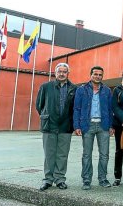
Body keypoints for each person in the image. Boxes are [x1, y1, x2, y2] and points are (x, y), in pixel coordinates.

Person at [36, 62, 77, 191]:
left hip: (66, 126)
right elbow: (39, 105)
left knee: (62, 154)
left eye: (64, 71)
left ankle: (60, 179)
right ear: (55, 73)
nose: (62, 73)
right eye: (59, 71)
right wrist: (47, 116)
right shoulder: (46, 87)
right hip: (49, 126)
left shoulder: (74, 89)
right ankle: (48, 179)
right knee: (49, 154)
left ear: (68, 73)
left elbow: (75, 108)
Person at [73, 66, 114, 190]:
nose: (97, 76)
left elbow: (110, 109)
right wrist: (77, 126)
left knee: (104, 154)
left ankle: (102, 178)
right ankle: (86, 180)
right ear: (90, 75)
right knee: (87, 154)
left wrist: (111, 125)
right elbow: (77, 109)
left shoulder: (107, 90)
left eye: (100, 75)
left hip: (103, 125)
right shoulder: (81, 90)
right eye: (95, 74)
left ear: (102, 76)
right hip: (87, 125)